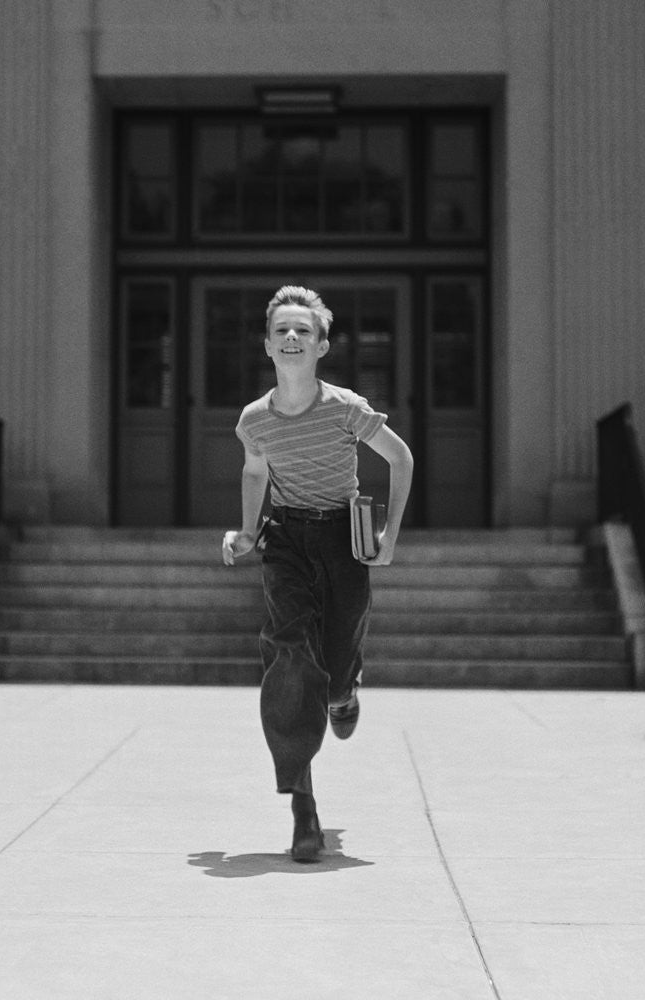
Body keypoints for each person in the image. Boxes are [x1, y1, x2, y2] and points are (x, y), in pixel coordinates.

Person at [222, 285, 414, 862]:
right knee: (290, 654)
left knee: (332, 666)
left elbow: (400, 458)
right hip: (286, 542)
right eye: (282, 330)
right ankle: (303, 807)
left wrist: (389, 538)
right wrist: (248, 532)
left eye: (303, 330)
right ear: (267, 345)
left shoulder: (346, 408)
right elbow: (256, 475)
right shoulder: (255, 419)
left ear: (322, 345)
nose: (291, 338)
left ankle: (343, 693)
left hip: (343, 541)